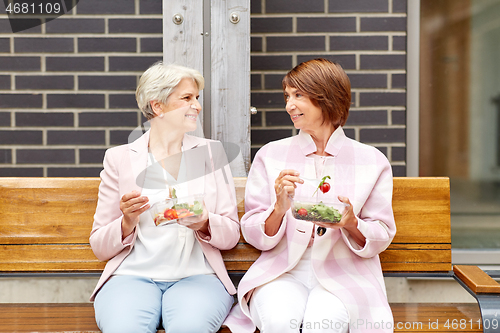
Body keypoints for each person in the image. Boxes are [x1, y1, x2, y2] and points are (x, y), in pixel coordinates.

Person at [223, 58, 396, 333]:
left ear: (326, 97)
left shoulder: (372, 160)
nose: (289, 105)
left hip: (345, 274)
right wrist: (279, 208)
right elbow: (254, 234)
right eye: (287, 96)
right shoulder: (270, 155)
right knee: (279, 322)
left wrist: (351, 223)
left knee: (322, 325)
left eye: (298, 95)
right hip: (281, 271)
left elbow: (381, 234)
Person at [89, 62, 240, 333]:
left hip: (198, 277)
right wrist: (127, 221)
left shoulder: (212, 154)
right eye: (186, 98)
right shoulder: (120, 158)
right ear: (157, 106)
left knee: (190, 328)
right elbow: (100, 246)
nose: (197, 105)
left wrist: (205, 222)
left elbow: (231, 235)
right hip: (130, 277)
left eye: (196, 98)